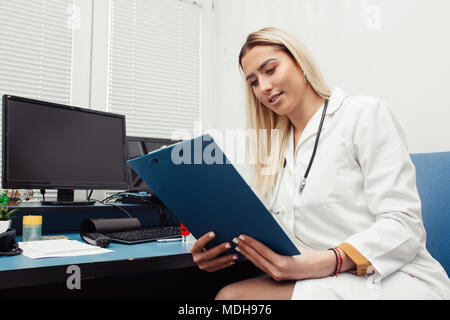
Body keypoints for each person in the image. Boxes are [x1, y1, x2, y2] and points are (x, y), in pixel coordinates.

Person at [190, 27, 450, 299]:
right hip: (319, 276)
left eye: (270, 70)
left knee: (233, 298)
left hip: (393, 277)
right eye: (253, 82)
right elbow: (271, 232)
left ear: (300, 64)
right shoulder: (272, 147)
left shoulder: (363, 115)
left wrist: (329, 261)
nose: (264, 87)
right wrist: (221, 249)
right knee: (228, 294)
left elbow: (404, 225)